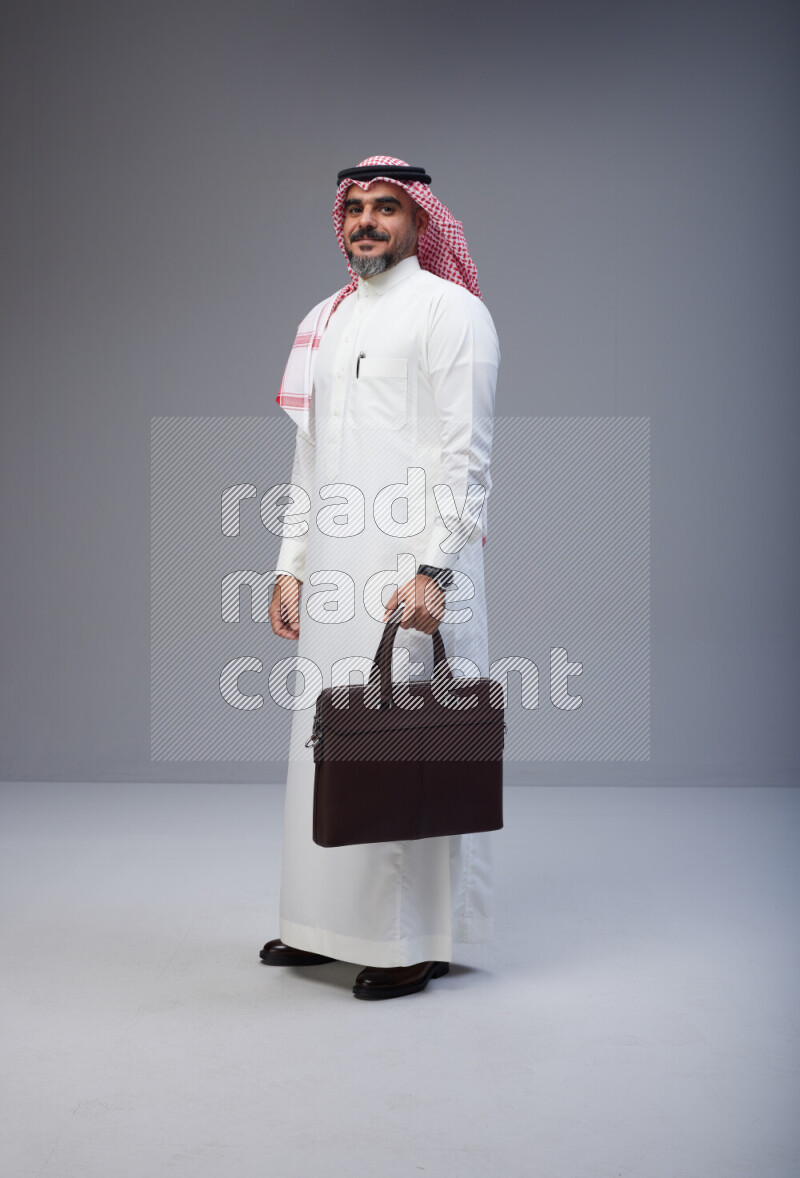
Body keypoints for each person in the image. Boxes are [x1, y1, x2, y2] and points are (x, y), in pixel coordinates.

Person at [260, 155, 500, 1000]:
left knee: (408, 745)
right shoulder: (326, 319)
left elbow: (469, 458)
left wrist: (435, 570)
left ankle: (409, 942)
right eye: (355, 207)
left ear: (420, 221)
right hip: (333, 570)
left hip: (414, 571)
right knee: (327, 743)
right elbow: (310, 454)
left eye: (386, 207)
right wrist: (290, 567)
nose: (366, 221)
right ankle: (317, 924)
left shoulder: (452, 311)